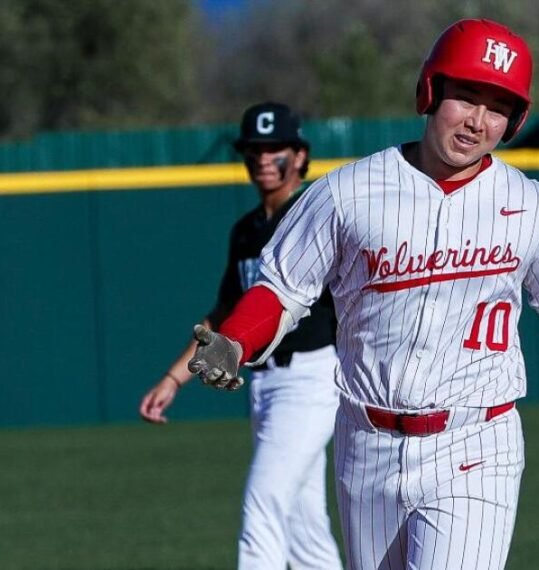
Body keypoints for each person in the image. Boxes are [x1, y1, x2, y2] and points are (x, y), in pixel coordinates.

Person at [188, 20, 539, 570]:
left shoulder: (534, 205)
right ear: (430, 91)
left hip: (477, 441)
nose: (478, 121)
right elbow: (282, 289)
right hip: (366, 442)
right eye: (466, 97)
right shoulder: (345, 194)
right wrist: (235, 341)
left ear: (515, 121)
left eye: (498, 108)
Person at [139, 102, 343, 570]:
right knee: (304, 526)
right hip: (265, 384)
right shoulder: (246, 231)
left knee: (263, 502)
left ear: (300, 154)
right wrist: (173, 379)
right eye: (254, 149)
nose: (263, 159)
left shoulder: (317, 215)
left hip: (313, 378)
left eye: (275, 149)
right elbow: (223, 316)